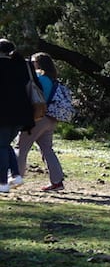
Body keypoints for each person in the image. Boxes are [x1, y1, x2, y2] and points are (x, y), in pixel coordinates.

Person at [18, 52, 66, 192]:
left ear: (39, 64)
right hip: (50, 118)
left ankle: (15, 177)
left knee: (21, 147)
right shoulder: (51, 79)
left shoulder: (38, 78)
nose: (31, 64)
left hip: (37, 117)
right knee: (47, 149)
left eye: (33, 62)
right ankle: (57, 181)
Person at [0, 38, 34, 193]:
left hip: (4, 113)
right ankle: (15, 175)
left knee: (1, 146)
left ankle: (3, 183)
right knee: (5, 144)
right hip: (22, 113)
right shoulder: (22, 65)